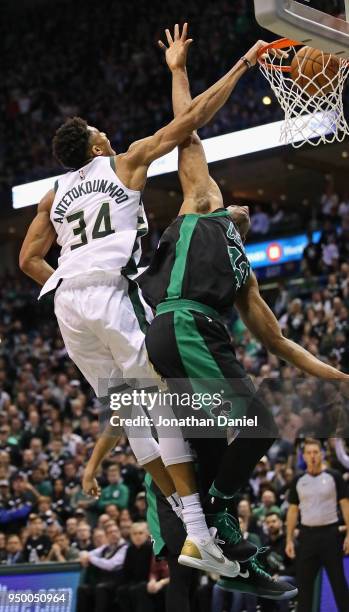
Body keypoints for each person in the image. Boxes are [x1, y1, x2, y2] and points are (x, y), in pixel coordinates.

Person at [19, 22, 271, 577]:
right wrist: (240, 66)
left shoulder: (53, 193)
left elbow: (28, 261)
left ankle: (192, 528)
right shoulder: (124, 161)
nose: (106, 130)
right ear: (94, 144)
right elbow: (191, 124)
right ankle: (202, 532)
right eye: (98, 128)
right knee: (164, 403)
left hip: (68, 306)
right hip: (111, 293)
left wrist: (73, 270)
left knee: (133, 414)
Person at [140, 23, 349, 602]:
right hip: (182, 325)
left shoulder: (242, 276)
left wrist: (340, 376)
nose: (248, 206)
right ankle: (222, 522)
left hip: (184, 337)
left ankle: (212, 545)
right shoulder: (202, 202)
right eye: (245, 203)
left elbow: (281, 343)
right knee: (259, 422)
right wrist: (179, 70)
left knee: (216, 446)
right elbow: (188, 134)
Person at [286, 438, 349, 612]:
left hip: (331, 534)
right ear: (303, 456)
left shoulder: (334, 476)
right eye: (309, 453)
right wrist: (289, 540)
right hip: (307, 537)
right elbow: (292, 512)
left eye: (316, 452)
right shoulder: (298, 479)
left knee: (339, 584)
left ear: (321, 454)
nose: (313, 456)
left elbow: (345, 506)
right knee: (304, 587)